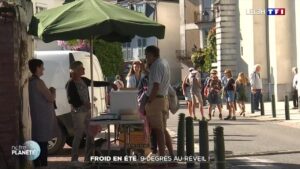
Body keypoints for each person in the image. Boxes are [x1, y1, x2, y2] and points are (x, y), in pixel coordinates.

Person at [66, 61, 117, 162]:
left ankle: (88, 158)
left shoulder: (83, 80)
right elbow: (70, 99)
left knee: (90, 134)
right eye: (82, 68)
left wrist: (109, 83)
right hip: (78, 113)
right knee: (79, 135)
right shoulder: (70, 83)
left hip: (87, 112)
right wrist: (83, 103)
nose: (84, 69)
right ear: (76, 70)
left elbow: (95, 83)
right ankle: (74, 159)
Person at [28, 59, 58, 168]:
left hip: (36, 117)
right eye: (42, 67)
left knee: (38, 143)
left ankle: (38, 165)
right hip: (42, 118)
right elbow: (50, 98)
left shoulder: (30, 81)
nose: (43, 69)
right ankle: (43, 165)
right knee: (42, 144)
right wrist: (53, 91)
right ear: (37, 68)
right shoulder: (38, 82)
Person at [145, 45, 174, 157]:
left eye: (147, 55)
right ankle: (171, 155)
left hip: (156, 100)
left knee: (158, 130)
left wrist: (149, 101)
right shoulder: (164, 62)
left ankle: (162, 157)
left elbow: (156, 85)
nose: (146, 58)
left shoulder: (156, 65)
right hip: (164, 99)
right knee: (163, 129)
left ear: (152, 54)